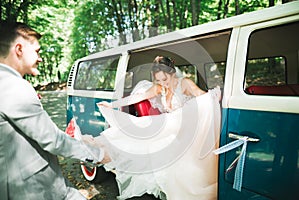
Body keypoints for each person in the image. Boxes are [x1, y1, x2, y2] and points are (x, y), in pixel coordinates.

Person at [0, 21, 110, 200]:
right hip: (34, 189)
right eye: (36, 51)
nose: (40, 58)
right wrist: (98, 154)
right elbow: (52, 140)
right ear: (19, 49)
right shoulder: (13, 87)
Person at [95, 56, 221, 200]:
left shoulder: (184, 83)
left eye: (165, 79)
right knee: (137, 131)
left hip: (186, 128)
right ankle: (95, 148)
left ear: (173, 73)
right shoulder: (159, 88)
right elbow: (138, 97)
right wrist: (112, 105)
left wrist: (213, 96)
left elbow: (202, 97)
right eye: (158, 80)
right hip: (169, 125)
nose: (163, 83)